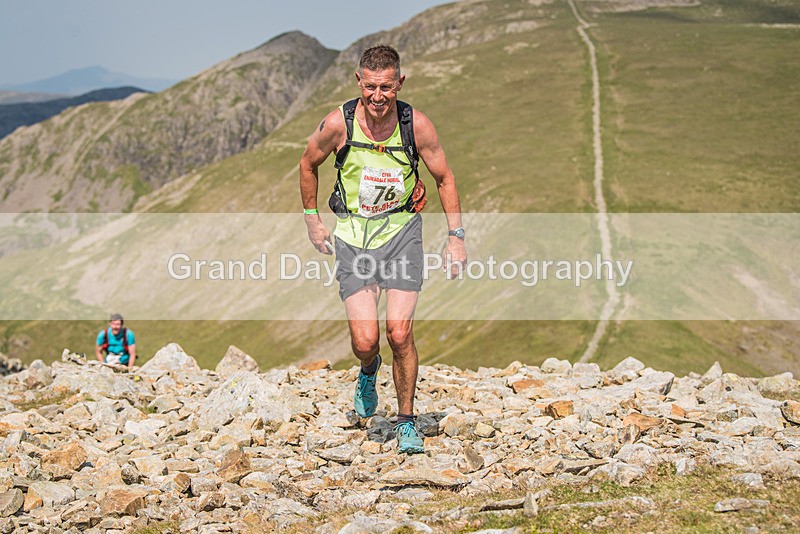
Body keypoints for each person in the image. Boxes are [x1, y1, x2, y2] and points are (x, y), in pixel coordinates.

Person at [299, 45, 467, 454]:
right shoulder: (338, 124)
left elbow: (444, 178)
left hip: (402, 234)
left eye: (387, 87)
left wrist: (456, 237)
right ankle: (368, 368)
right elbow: (307, 163)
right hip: (354, 238)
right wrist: (312, 219)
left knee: (399, 332)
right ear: (359, 81)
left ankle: (406, 421)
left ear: (400, 83)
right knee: (365, 341)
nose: (378, 96)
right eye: (371, 86)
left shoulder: (416, 126)